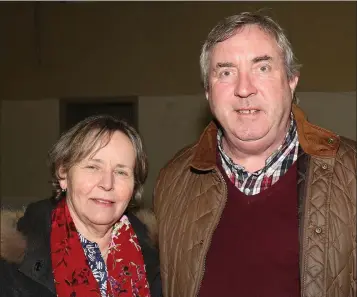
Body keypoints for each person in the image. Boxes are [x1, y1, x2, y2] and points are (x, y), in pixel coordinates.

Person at [153, 11, 356, 297]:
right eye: (226, 72)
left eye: (261, 68)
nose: (244, 89)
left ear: (291, 80)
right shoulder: (174, 181)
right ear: (208, 93)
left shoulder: (352, 174)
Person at [1, 115, 162, 297]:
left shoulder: (159, 257)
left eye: (121, 172)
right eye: (93, 167)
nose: (107, 183)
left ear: (134, 186)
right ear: (63, 174)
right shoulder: (11, 261)